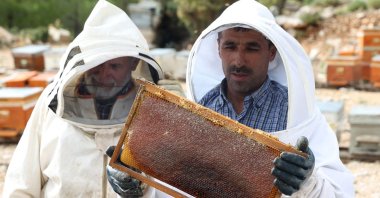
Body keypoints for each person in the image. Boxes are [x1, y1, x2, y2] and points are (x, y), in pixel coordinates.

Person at [107, 0, 355, 197]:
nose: (238, 60)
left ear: (271, 52)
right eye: (230, 46)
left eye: (251, 48)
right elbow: (177, 187)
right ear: (218, 48)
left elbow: (339, 192)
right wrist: (138, 185)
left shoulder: (297, 114)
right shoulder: (200, 109)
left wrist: (308, 183)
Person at [2, 0, 182, 197]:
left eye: (114, 66)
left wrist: (183, 121)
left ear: (133, 64)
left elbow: (179, 187)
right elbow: (21, 184)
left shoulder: (155, 110)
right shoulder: (52, 102)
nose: (104, 75)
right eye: (97, 65)